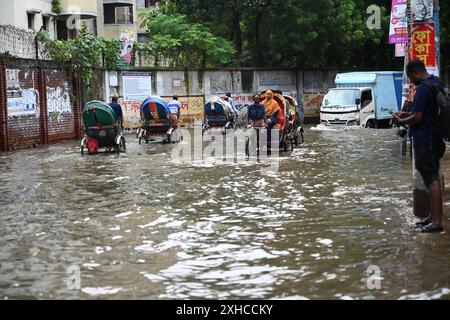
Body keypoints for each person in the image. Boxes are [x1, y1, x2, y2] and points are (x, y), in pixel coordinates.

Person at [393, 60, 446, 233]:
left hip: (425, 141)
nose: (411, 81)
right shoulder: (436, 83)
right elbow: (422, 113)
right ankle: (433, 217)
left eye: (410, 77)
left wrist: (402, 120)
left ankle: (436, 222)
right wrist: (408, 114)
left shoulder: (423, 89)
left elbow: (417, 118)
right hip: (435, 139)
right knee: (433, 179)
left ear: (416, 72)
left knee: (431, 180)